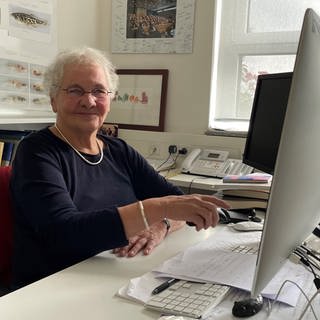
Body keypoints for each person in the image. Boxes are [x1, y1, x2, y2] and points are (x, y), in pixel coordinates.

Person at [10, 46, 229, 290]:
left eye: (99, 91)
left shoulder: (119, 150)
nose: (89, 101)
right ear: (53, 100)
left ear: (110, 99)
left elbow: (179, 203)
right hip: (53, 287)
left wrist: (161, 224)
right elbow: (64, 234)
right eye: (75, 90)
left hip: (119, 275)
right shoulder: (35, 152)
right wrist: (157, 208)